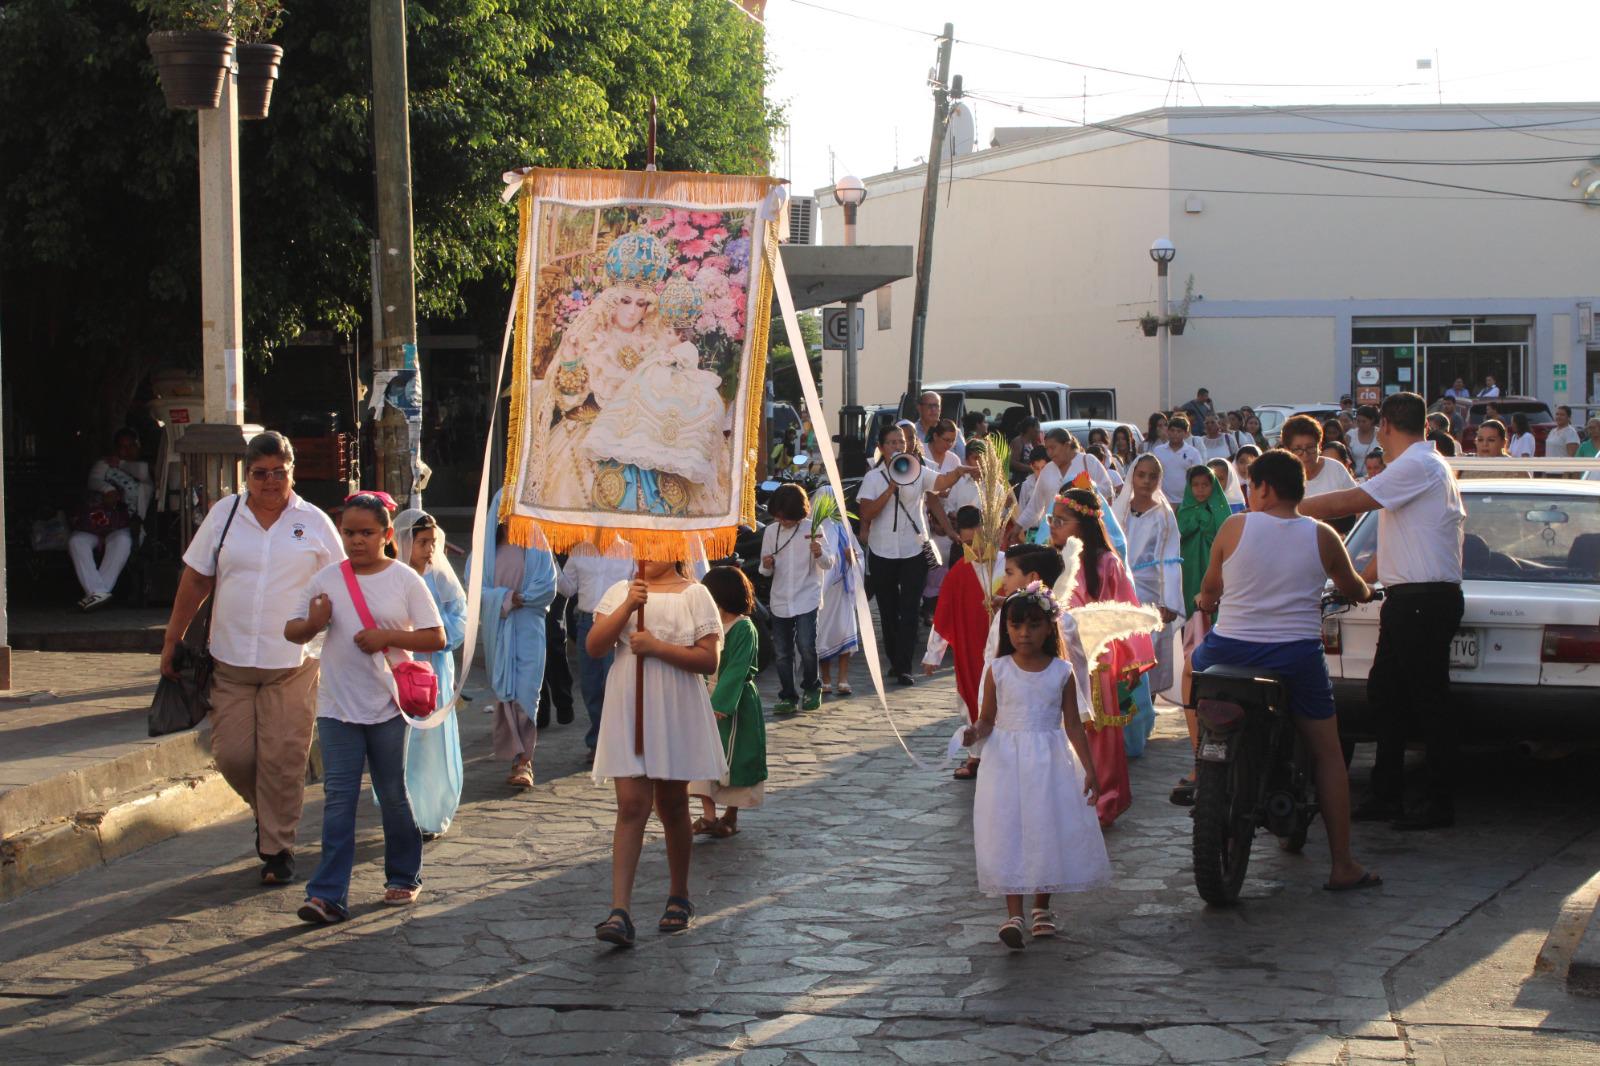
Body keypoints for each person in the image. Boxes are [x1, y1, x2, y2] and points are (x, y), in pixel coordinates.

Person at [1188, 450, 1378, 891]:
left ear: (1265, 488)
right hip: (1295, 657)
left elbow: (1210, 588)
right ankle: (1343, 864)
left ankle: (1199, 757)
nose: (1249, 494)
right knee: (1328, 753)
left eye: (1251, 486)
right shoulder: (1323, 535)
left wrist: (1207, 600)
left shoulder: (1234, 527)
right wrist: (1367, 592)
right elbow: (1353, 587)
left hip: (1229, 651)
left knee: (1192, 669)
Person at [161, 432, 342, 886]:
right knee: (234, 756)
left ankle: (277, 849)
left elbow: (341, 585)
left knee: (283, 757)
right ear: (247, 475)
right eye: (260, 474)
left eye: (279, 472)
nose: (269, 482)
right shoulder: (224, 515)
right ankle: (269, 814)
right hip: (231, 661)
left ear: (292, 472)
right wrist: (172, 638)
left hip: (293, 662)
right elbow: (196, 579)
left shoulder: (314, 522)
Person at [1300, 392, 1466, 831]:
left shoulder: (1417, 465)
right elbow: (1398, 539)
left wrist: (1288, 506)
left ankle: (1438, 802)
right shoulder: (1422, 465)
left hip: (1422, 600)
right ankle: (1387, 793)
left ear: (1387, 426)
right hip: (1410, 599)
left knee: (1427, 701)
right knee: (1387, 695)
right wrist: (1361, 582)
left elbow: (1349, 502)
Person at [286, 494, 447, 923]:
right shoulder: (326, 579)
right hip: (336, 705)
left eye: (366, 532)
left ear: (387, 534)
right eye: (349, 532)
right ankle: (327, 895)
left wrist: (386, 638)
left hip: (389, 705)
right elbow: (292, 630)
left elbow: (436, 636)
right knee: (339, 798)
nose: (356, 540)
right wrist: (315, 622)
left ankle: (404, 874)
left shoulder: (404, 580)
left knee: (391, 792)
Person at [588, 559, 727, 947]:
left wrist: (658, 647)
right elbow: (595, 646)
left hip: (673, 704)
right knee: (631, 805)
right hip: (628, 704)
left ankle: (679, 894)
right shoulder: (621, 590)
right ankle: (619, 911)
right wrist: (628, 607)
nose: (647, 552)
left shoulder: (695, 594)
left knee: (672, 803)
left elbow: (708, 659)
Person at [964, 586, 1109, 949]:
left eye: (1033, 625)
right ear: (1006, 629)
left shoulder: (1061, 672)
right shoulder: (997, 670)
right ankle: (1013, 913)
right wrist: (973, 733)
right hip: (1006, 762)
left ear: (1049, 628)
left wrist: (1089, 768)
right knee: (1008, 830)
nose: (1024, 633)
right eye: (1016, 626)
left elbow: (1073, 724)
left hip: (1050, 761)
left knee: (1047, 827)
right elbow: (987, 719)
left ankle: (1042, 905)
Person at [1049, 489, 1151, 827]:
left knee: (1098, 735)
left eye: (1061, 521)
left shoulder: (1106, 563)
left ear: (1083, 525)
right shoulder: (1051, 559)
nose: (1053, 526)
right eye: (1052, 520)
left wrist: (1131, 660)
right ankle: (1066, 801)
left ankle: (1103, 801)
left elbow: (1125, 609)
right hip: (1060, 660)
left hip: (1096, 663)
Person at [856, 423, 974, 686]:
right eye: (892, 442)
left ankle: (904, 666)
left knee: (910, 609)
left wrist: (958, 472)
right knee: (888, 610)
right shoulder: (873, 478)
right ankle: (894, 659)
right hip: (883, 550)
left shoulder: (917, 470)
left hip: (914, 549)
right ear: (881, 447)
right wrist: (890, 488)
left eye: (901, 441)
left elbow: (939, 483)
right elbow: (867, 512)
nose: (898, 446)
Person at [475, 495, 559, 790]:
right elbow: (475, 590)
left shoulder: (538, 548)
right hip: (499, 629)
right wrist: (507, 598)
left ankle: (524, 761)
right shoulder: (485, 552)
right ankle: (514, 754)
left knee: (527, 692)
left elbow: (547, 586)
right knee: (505, 692)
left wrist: (523, 599)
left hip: (529, 628)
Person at [393, 510, 467, 837]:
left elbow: (460, 616)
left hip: (433, 670)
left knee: (431, 742)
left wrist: (431, 634)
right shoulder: (392, 576)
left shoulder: (440, 577)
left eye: (432, 542)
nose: (429, 549)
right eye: (422, 542)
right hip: (399, 670)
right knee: (402, 743)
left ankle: (430, 812)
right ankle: (403, 810)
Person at [1112, 455, 1183, 758]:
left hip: (1151, 592)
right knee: (1122, 656)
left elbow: (1170, 560)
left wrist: (1169, 602)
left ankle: (1144, 719)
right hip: (1120, 590)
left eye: (1152, 476)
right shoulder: (1119, 510)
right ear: (1132, 476)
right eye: (1141, 474)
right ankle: (1122, 718)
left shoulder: (1164, 515)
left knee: (1147, 655)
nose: (1145, 481)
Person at [689, 567, 767, 839]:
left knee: (735, 760)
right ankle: (709, 815)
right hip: (705, 696)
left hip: (735, 702)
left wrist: (721, 703)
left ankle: (731, 816)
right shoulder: (709, 626)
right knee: (702, 757)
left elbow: (737, 668)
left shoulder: (744, 628)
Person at [924, 506, 992, 780]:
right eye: (967, 542)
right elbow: (944, 615)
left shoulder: (1009, 565)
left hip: (1007, 649)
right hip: (972, 647)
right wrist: (933, 654)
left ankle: (1003, 753)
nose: (973, 546)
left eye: (977, 538)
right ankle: (976, 754)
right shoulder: (958, 574)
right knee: (972, 696)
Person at [759, 484, 834, 715]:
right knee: (782, 652)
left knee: (806, 645)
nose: (782, 521)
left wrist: (819, 552)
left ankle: (812, 687)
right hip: (780, 598)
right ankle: (788, 695)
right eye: (778, 516)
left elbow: (829, 563)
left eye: (786, 517)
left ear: (798, 513)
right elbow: (764, 571)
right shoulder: (771, 531)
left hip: (807, 597)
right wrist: (767, 564)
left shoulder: (813, 528)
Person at [557, 544, 636, 761]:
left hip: (617, 621)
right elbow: (567, 588)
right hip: (586, 621)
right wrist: (551, 563)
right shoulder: (580, 550)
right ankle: (598, 741)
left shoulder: (629, 550)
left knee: (614, 682)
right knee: (590, 685)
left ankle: (618, 742)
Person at [1015, 428, 1117, 541]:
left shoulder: (1088, 461)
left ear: (1067, 445)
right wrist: (1017, 527)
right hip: (1053, 536)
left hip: (1085, 535)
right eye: (1047, 449)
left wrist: (1087, 489)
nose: (1049, 453)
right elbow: (1034, 507)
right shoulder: (1047, 470)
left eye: (1053, 448)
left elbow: (1108, 491)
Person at [814, 487, 861, 696]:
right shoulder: (814, 527)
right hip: (823, 591)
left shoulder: (844, 526)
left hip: (843, 589)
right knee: (823, 634)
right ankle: (825, 679)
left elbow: (859, 554)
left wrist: (853, 558)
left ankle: (843, 678)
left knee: (845, 632)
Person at [68, 481, 133, 612]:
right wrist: (107, 489)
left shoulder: (124, 497)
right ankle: (98, 592)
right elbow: (94, 479)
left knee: (123, 540)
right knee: (76, 541)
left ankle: (96, 594)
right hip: (88, 530)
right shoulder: (94, 485)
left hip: (116, 530)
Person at [1177, 465, 1229, 618]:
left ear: (1213, 486)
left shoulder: (1219, 508)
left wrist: (1205, 518)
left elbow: (1224, 535)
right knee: (1190, 599)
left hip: (1212, 561)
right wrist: (1197, 518)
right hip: (1189, 563)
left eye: (1205, 485)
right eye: (1195, 485)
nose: (1200, 489)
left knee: (1212, 598)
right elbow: (1180, 532)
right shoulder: (1184, 509)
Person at [1281, 414, 1357, 498]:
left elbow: (1356, 501)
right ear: (1287, 450)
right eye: (1298, 449)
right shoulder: (1280, 478)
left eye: (1310, 447)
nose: (1305, 454)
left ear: (1319, 446)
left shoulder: (1335, 468)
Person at [1154, 416, 1203, 505]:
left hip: (1187, 501)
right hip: (1163, 501)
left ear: (1185, 433)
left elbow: (1199, 476)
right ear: (1168, 431)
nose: (1175, 434)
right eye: (1172, 430)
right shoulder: (1158, 451)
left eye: (1179, 431)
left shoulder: (1193, 453)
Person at [916, 390, 966, 459]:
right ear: (919, 408)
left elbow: (963, 459)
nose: (933, 409)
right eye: (929, 406)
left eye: (936, 406)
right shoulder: (911, 431)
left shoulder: (954, 432)